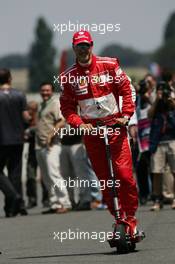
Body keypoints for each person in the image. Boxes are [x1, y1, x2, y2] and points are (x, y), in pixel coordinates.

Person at [60, 31, 141, 237]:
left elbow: (127, 90)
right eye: (79, 46)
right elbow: (67, 107)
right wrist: (79, 123)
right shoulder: (68, 77)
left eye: (86, 45)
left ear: (92, 46)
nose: (83, 49)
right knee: (105, 179)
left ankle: (130, 218)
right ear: (74, 48)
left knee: (123, 175)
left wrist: (126, 115)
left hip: (115, 127)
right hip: (92, 132)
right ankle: (118, 217)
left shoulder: (110, 64)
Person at [35, 82, 71, 214]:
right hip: (39, 145)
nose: (45, 93)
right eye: (43, 90)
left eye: (47, 90)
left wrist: (51, 135)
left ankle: (65, 202)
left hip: (52, 145)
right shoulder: (42, 105)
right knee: (46, 177)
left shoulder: (55, 103)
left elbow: (62, 121)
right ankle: (54, 203)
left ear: (52, 91)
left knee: (54, 174)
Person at [0, 68, 30, 216]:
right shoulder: (19, 95)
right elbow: (26, 116)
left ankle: (13, 197)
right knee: (15, 172)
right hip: (18, 139)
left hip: (1, 140)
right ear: (10, 79)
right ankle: (16, 207)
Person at [148, 81, 175, 211]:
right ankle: (157, 199)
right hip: (157, 141)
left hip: (172, 140)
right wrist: (157, 101)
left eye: (164, 90)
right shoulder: (156, 104)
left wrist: (171, 101)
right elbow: (149, 116)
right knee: (156, 171)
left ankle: (174, 198)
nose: (162, 92)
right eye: (160, 90)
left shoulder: (171, 101)